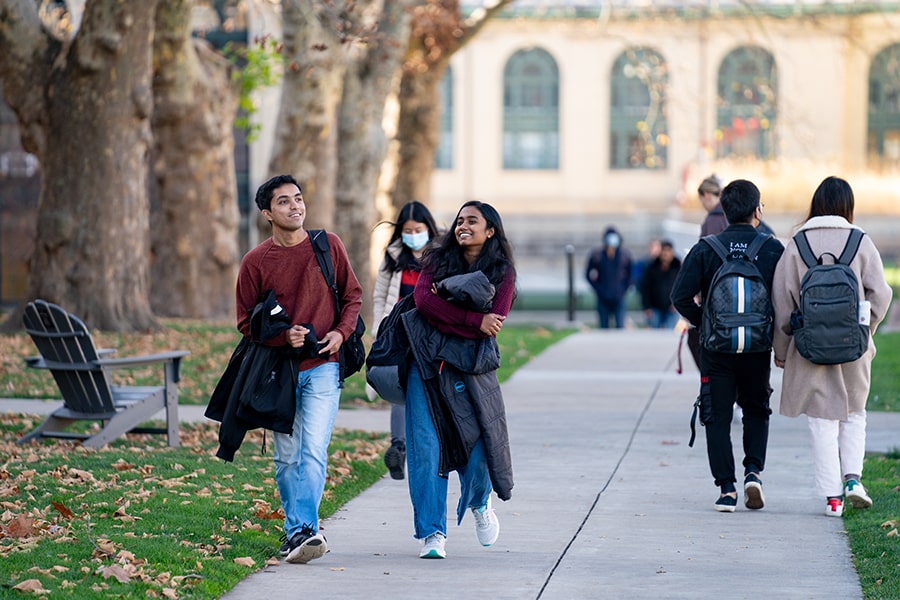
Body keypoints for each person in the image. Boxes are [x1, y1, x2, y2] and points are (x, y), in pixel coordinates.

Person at [236, 174, 362, 564]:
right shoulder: (256, 261)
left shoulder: (329, 246)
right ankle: (298, 533)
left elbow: (354, 297)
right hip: (279, 371)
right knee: (287, 457)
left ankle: (304, 530)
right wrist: (280, 338)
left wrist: (341, 333)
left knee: (313, 451)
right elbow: (245, 322)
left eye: (298, 199)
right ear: (267, 214)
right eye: (284, 202)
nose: (296, 206)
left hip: (324, 364)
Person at [772, 176, 893, 517]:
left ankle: (833, 499)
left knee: (820, 421)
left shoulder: (797, 244)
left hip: (809, 348)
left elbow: (783, 303)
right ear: (847, 206)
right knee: (854, 413)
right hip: (852, 346)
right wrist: (865, 329)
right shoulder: (860, 241)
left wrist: (782, 350)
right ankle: (853, 479)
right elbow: (882, 294)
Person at [402, 200, 516, 559]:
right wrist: (470, 318)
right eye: (459, 221)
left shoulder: (503, 271)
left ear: (491, 230)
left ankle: (480, 502)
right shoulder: (436, 260)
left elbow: (493, 322)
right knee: (425, 449)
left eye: (472, 221)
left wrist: (447, 306)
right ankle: (432, 534)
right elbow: (423, 303)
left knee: (480, 447)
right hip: (427, 365)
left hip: (472, 369)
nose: (462, 226)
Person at [670, 179, 784, 512]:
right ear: (757, 210)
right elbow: (785, 297)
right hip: (757, 348)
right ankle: (753, 472)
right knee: (756, 409)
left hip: (716, 349)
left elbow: (678, 296)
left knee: (716, 415)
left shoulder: (706, 248)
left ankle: (727, 489)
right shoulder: (772, 248)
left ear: (725, 209)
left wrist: (705, 320)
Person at [371, 200, 441, 480]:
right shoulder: (393, 255)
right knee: (399, 388)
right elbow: (379, 296)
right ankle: (399, 447)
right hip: (399, 333)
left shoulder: (441, 256)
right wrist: (379, 331)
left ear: (429, 228)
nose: (413, 234)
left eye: (419, 229)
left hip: (429, 333)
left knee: (425, 389)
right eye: (408, 230)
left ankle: (420, 445)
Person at [586, 226, 632, 329]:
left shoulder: (625, 255)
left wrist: (623, 289)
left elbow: (630, 275)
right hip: (603, 298)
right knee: (603, 327)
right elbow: (588, 274)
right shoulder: (597, 255)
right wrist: (599, 289)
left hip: (619, 297)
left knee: (620, 326)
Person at [640, 239, 682, 329]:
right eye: (663, 250)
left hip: (672, 308)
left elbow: (683, 287)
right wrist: (646, 306)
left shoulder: (678, 267)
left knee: (669, 334)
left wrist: (678, 304)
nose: (665, 254)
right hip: (654, 308)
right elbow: (645, 288)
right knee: (655, 336)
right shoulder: (652, 267)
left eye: (668, 251)